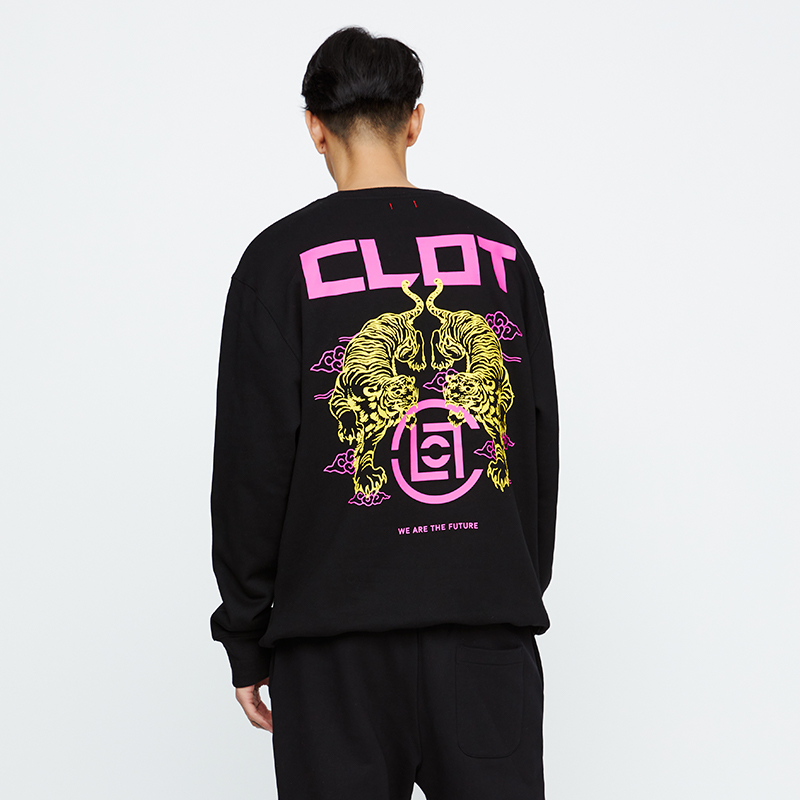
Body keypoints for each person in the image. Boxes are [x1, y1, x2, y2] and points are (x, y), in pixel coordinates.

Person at [209, 25, 559, 800]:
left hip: (334, 651)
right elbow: (533, 432)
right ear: (415, 122)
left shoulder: (278, 261)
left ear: (314, 127)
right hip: (484, 635)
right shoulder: (500, 251)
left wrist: (244, 632)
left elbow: (251, 463)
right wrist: (507, 586)